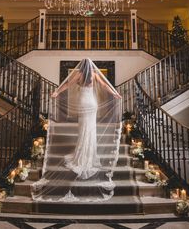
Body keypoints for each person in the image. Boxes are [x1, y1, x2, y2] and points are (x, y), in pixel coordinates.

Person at [31, 58, 122, 202]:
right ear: (90, 65)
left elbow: (67, 84)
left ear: (82, 65)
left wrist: (56, 92)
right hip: (91, 104)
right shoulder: (94, 73)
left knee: (83, 129)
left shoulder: (79, 74)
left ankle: (82, 155)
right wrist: (114, 93)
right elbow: (105, 85)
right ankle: (90, 155)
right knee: (90, 129)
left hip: (83, 103)